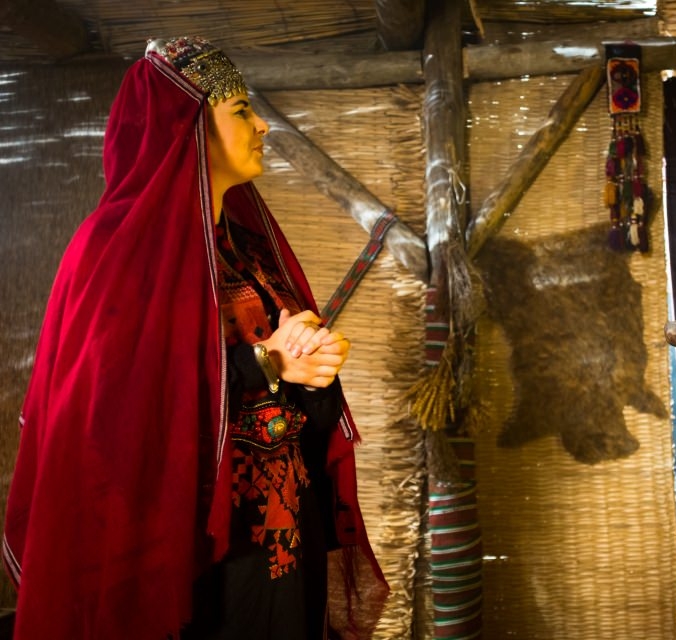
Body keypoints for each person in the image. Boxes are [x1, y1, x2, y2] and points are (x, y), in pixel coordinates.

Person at [2, 36, 388, 639]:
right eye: (241, 111)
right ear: (188, 128)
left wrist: (314, 367)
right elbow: (114, 408)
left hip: (284, 528)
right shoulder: (115, 251)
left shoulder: (252, 253)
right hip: (194, 544)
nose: (262, 126)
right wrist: (266, 361)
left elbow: (284, 377)